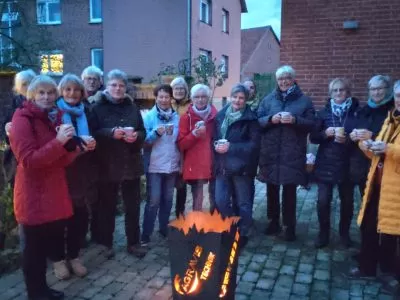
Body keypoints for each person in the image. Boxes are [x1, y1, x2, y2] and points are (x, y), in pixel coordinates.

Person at [10, 75, 78, 300]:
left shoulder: (51, 117)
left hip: (52, 192)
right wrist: (58, 142)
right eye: (41, 93)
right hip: (33, 195)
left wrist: (77, 149)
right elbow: (28, 161)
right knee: (33, 251)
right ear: (31, 94)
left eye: (50, 92)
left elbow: (60, 160)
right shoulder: (22, 119)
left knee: (43, 248)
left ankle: (42, 289)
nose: (47, 97)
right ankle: (35, 293)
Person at [89, 69, 147, 258]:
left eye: (121, 85)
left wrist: (136, 136)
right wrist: (110, 133)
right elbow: (92, 133)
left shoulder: (132, 107)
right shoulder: (97, 107)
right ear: (106, 86)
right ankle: (106, 244)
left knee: (133, 206)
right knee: (107, 206)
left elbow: (142, 131)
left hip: (131, 163)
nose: (118, 88)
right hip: (107, 163)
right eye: (114, 84)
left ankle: (134, 243)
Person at [258, 65, 315, 241]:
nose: (284, 81)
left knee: (289, 191)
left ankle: (289, 227)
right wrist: (270, 119)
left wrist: (295, 119)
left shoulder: (304, 101)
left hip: (292, 152)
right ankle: (273, 222)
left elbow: (312, 123)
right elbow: (257, 120)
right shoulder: (268, 100)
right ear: (277, 80)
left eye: (287, 78)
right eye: (281, 78)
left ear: (293, 79)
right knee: (271, 189)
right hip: (271, 152)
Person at [349, 80, 400, 279]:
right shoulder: (391, 118)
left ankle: (390, 273)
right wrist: (366, 145)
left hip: (394, 187)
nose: (399, 100)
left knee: (392, 233)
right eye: (397, 96)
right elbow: (379, 152)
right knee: (369, 225)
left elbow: (388, 150)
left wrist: (387, 149)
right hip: (377, 182)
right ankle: (367, 267)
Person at [53, 74, 97, 279]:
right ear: (61, 91)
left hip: (82, 173)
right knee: (58, 219)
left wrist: (94, 144)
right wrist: (77, 145)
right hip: (61, 173)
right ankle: (58, 260)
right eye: (68, 89)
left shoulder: (86, 111)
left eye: (76, 90)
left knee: (79, 218)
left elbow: (96, 134)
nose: (72, 93)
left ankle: (74, 256)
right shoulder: (53, 113)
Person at [310, 78, 359, 248]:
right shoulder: (323, 113)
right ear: (330, 94)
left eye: (342, 90)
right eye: (335, 91)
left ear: (347, 92)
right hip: (326, 163)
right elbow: (313, 137)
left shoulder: (356, 112)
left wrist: (351, 138)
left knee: (347, 202)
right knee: (323, 201)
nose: (338, 93)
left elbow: (362, 135)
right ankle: (323, 234)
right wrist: (325, 133)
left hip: (347, 163)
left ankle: (344, 234)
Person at [214, 83, 260, 249]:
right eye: (235, 97)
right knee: (221, 201)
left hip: (242, 168)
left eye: (241, 98)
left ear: (246, 100)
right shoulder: (220, 116)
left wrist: (231, 147)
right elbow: (215, 137)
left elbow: (254, 145)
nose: (238, 100)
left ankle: (243, 233)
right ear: (230, 97)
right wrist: (215, 146)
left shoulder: (251, 119)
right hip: (222, 166)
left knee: (243, 203)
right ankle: (231, 228)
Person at [141, 85, 180, 246]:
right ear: (156, 98)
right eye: (160, 97)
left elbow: (180, 141)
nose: (164, 100)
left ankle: (164, 228)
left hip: (172, 164)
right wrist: (155, 134)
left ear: (171, 98)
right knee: (154, 200)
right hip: (155, 165)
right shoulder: (149, 117)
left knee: (168, 199)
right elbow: (143, 142)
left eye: (166, 97)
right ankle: (146, 233)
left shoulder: (177, 117)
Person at [2, 69, 36, 251]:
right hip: (18, 164)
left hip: (38, 162)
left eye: (31, 82)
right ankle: (28, 251)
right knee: (24, 207)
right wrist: (8, 129)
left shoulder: (43, 104)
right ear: (18, 88)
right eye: (24, 84)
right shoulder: (13, 106)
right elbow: (6, 136)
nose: (28, 87)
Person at [349, 75, 394, 197]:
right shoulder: (364, 110)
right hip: (363, 166)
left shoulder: (393, 110)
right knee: (366, 202)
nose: (376, 92)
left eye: (380, 88)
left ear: (388, 89)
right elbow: (356, 132)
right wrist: (354, 136)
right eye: (373, 89)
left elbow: (394, 138)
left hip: (385, 166)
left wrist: (373, 136)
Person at [178, 84, 218, 211]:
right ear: (191, 98)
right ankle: (197, 225)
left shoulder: (216, 116)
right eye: (197, 97)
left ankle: (214, 222)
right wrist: (194, 134)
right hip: (195, 163)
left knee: (215, 196)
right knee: (198, 198)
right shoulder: (186, 118)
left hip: (213, 162)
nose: (200, 100)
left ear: (208, 98)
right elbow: (181, 144)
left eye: (203, 96)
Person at [170, 77, 191, 217]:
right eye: (176, 88)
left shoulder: (190, 105)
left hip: (184, 148)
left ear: (185, 90)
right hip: (167, 147)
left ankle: (179, 212)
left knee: (181, 183)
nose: (178, 91)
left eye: (181, 88)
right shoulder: (166, 102)